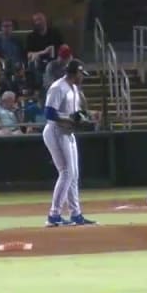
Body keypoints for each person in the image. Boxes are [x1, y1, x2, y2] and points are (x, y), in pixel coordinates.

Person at [42, 60, 96, 227]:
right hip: (55, 131)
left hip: (67, 132)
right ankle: (54, 215)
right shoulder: (58, 87)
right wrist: (70, 118)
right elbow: (49, 113)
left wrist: (88, 115)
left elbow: (76, 113)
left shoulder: (73, 87)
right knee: (66, 172)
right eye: (81, 74)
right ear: (74, 73)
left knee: (74, 174)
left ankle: (76, 214)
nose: (83, 77)